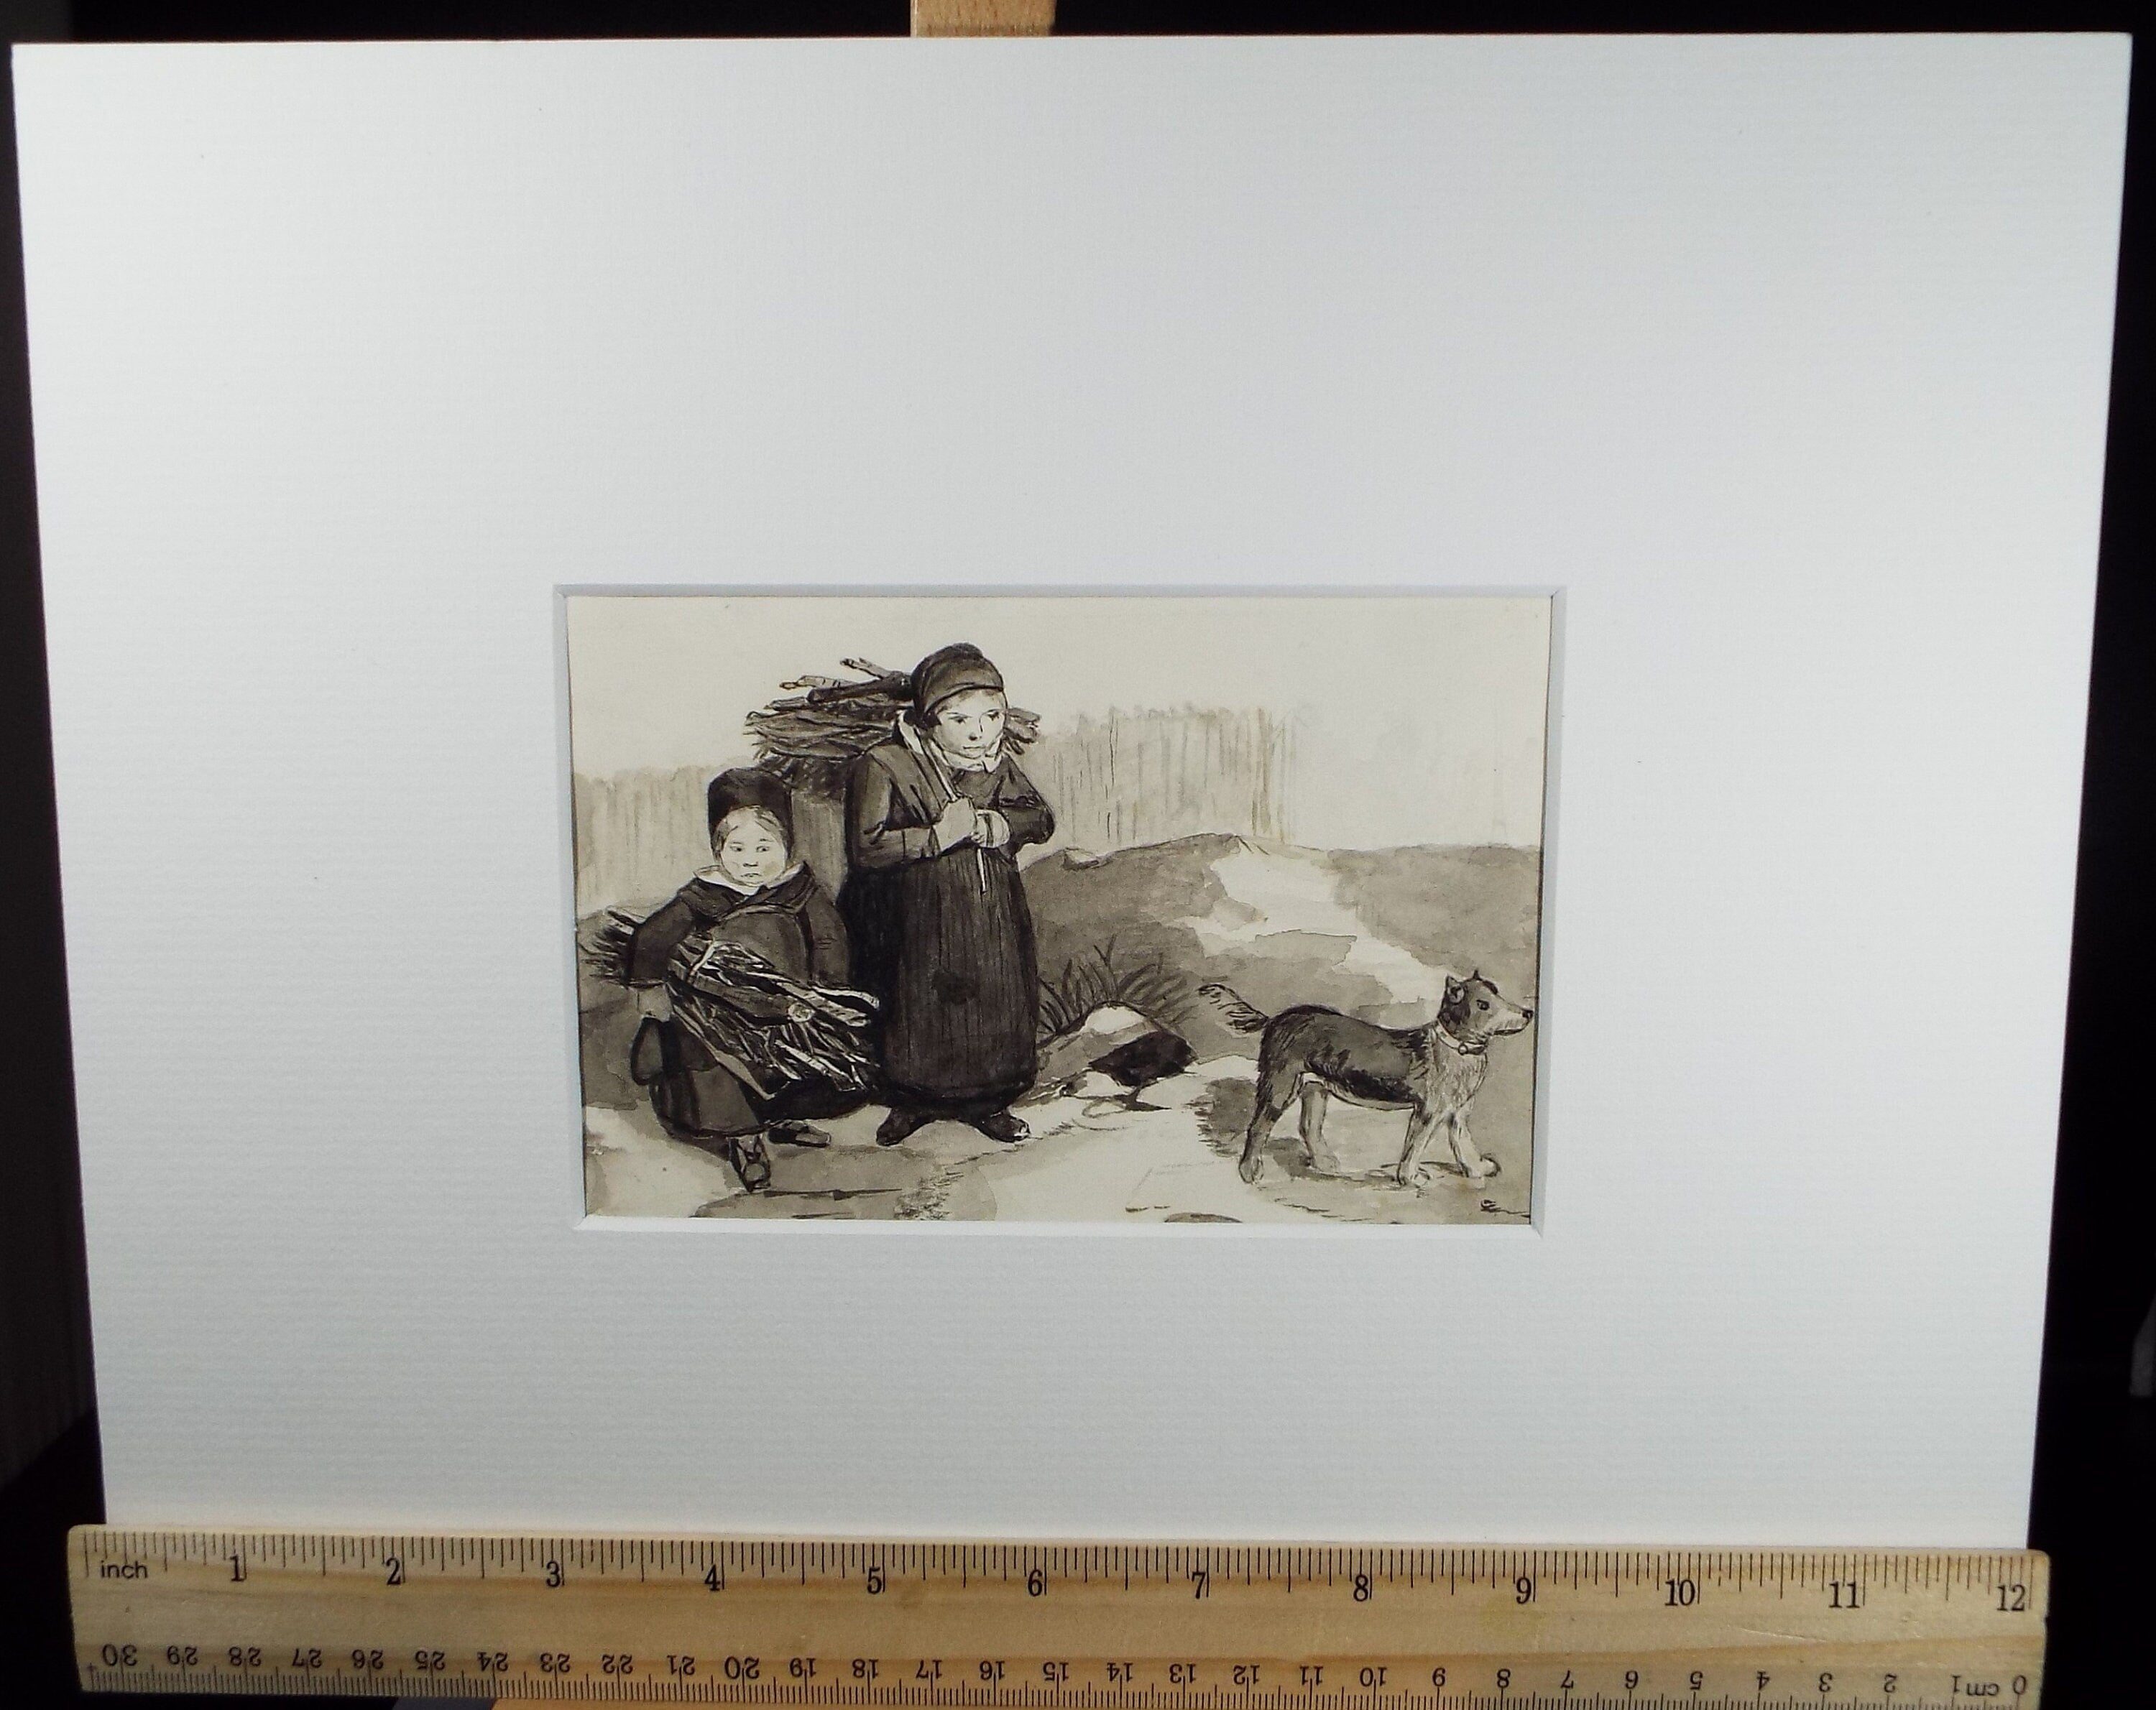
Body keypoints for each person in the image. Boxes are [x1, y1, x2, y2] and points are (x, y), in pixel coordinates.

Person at [842, 644, 1056, 1147]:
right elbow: (867, 847)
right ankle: (911, 1102)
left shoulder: (995, 765)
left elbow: (1040, 818)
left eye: (992, 716)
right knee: (917, 1009)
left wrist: (1000, 823)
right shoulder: (885, 763)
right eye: (960, 719)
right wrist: (935, 836)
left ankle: (988, 1103)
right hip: (914, 917)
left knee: (993, 1002)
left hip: (989, 914)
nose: (979, 731)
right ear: (928, 722)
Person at [625, 768, 870, 1192]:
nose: (751, 859)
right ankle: (746, 1142)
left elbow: (830, 937)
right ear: (718, 849)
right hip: (719, 1016)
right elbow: (652, 938)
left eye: (763, 846)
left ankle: (783, 1121)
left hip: (786, 1008)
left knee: (793, 1071)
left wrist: (828, 986)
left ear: (786, 845)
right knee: (727, 1081)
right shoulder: (705, 896)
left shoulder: (800, 891)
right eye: (736, 848)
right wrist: (650, 987)